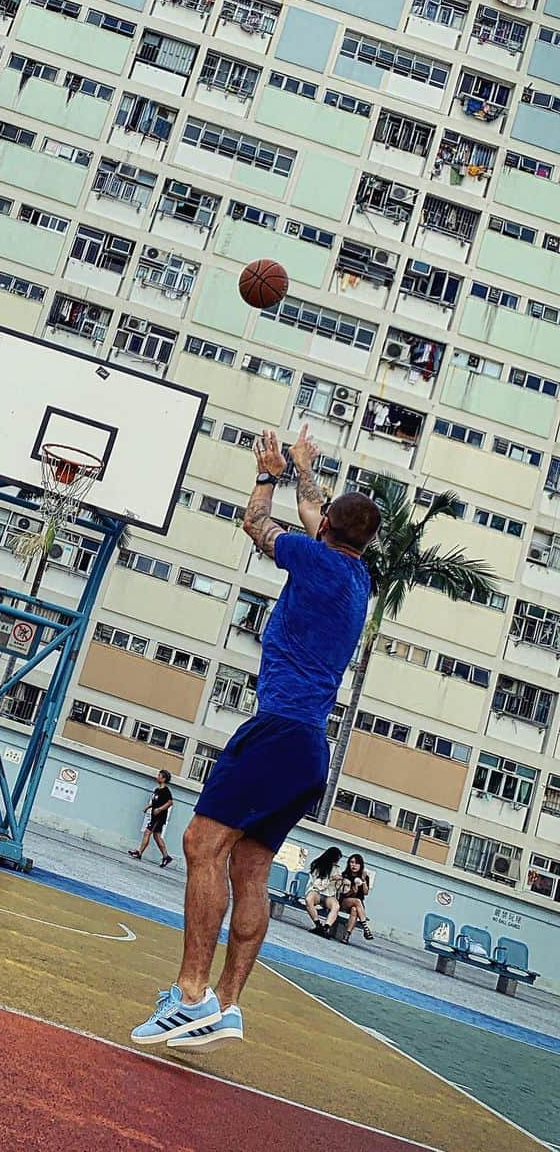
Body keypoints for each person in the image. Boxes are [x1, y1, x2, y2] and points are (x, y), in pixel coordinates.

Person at [131, 425, 377, 1052]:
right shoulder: (359, 580)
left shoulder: (314, 557)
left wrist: (268, 474)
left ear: (326, 533)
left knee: (199, 842)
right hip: (309, 750)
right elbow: (319, 514)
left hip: (277, 729)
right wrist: (304, 470)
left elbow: (255, 523)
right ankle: (229, 1005)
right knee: (251, 869)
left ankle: (190, 995)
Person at [128, 770, 175, 868]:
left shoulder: (166, 791)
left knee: (147, 832)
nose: (157, 777)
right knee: (157, 837)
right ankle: (166, 856)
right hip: (154, 816)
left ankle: (139, 852)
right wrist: (148, 807)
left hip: (159, 817)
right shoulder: (157, 790)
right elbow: (154, 802)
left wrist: (159, 809)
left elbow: (170, 802)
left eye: (159, 775)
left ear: (164, 778)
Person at [305, 846, 343, 937]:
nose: (337, 862)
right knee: (308, 900)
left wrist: (341, 881)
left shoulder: (337, 869)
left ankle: (326, 927)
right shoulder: (317, 866)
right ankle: (318, 924)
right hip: (316, 892)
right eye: (336, 860)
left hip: (329, 895)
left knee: (336, 906)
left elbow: (338, 889)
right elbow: (318, 885)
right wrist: (331, 878)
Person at [338, 851, 374, 941]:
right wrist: (353, 889)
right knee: (357, 901)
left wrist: (363, 880)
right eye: (352, 862)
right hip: (345, 901)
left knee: (355, 909)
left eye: (357, 863)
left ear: (361, 865)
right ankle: (365, 927)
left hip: (358, 906)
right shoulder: (345, 875)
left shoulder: (365, 877)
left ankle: (346, 935)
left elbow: (366, 893)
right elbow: (342, 893)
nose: (354, 865)